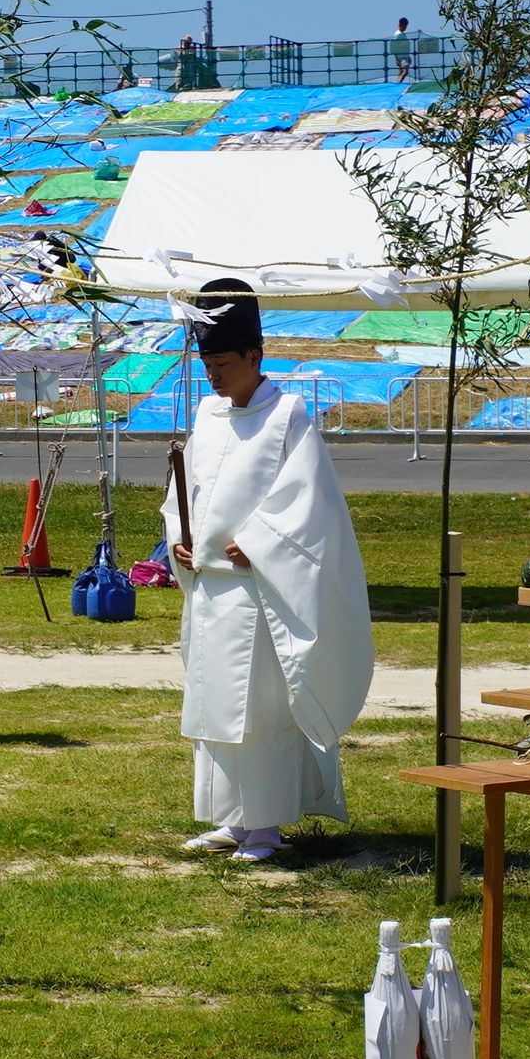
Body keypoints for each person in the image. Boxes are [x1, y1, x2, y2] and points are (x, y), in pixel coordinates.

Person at [165, 279, 375, 861]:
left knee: (257, 710)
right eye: (207, 363)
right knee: (213, 707)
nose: (214, 375)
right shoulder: (208, 415)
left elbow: (309, 503)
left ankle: (265, 824)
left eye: (225, 363)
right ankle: (231, 816)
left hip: (259, 591)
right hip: (209, 588)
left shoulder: (288, 416)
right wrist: (181, 539)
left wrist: (257, 544)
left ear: (255, 356)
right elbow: (189, 489)